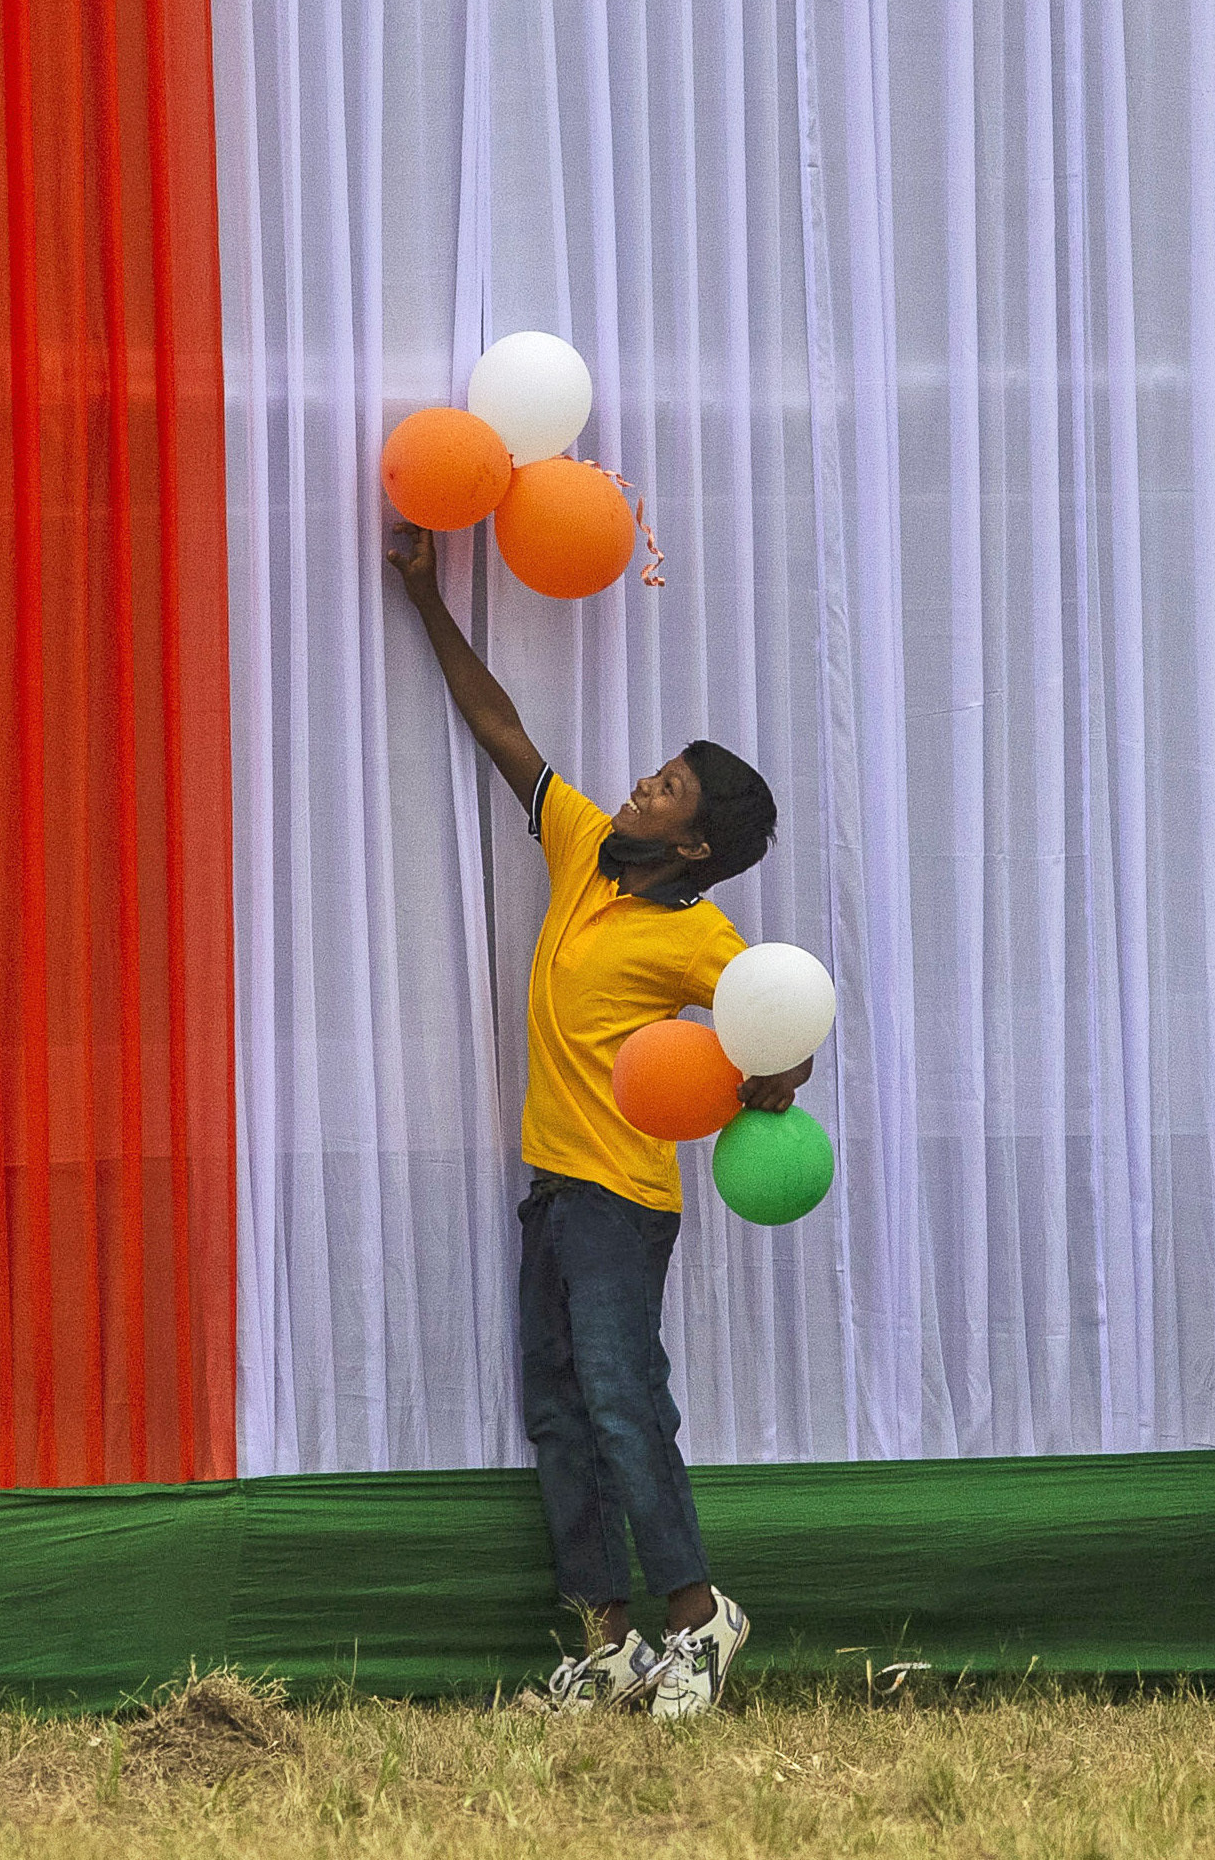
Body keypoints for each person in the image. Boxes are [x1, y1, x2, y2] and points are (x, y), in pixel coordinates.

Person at [389, 518, 806, 1718]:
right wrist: (426, 600)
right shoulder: (585, 852)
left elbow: (777, 1028)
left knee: (626, 1402)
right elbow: (503, 729)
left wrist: (783, 1075)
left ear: (699, 841)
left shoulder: (703, 938)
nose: (639, 783)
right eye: (654, 770)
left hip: (623, 1202)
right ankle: (607, 1643)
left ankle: (697, 1616)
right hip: (551, 1187)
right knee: (560, 1414)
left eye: (665, 785)